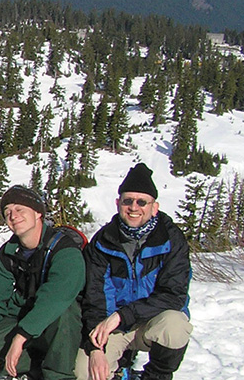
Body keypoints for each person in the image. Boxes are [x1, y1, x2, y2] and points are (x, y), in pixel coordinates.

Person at [0, 186, 85, 380]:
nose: (13, 216)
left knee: (65, 311)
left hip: (58, 325)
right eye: (8, 213)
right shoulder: (8, 253)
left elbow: (56, 298)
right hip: (22, 317)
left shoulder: (64, 250)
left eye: (20, 210)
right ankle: (37, 363)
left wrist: (21, 336)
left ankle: (58, 374)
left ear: (38, 213)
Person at [75, 163, 192, 380]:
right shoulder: (102, 242)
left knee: (175, 326)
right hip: (112, 327)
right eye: (128, 201)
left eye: (142, 202)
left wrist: (122, 315)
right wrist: (95, 348)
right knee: (84, 372)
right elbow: (94, 298)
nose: (134, 207)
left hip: (153, 322)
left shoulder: (171, 239)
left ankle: (155, 376)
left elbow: (173, 296)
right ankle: (120, 369)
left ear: (154, 207)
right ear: (118, 203)